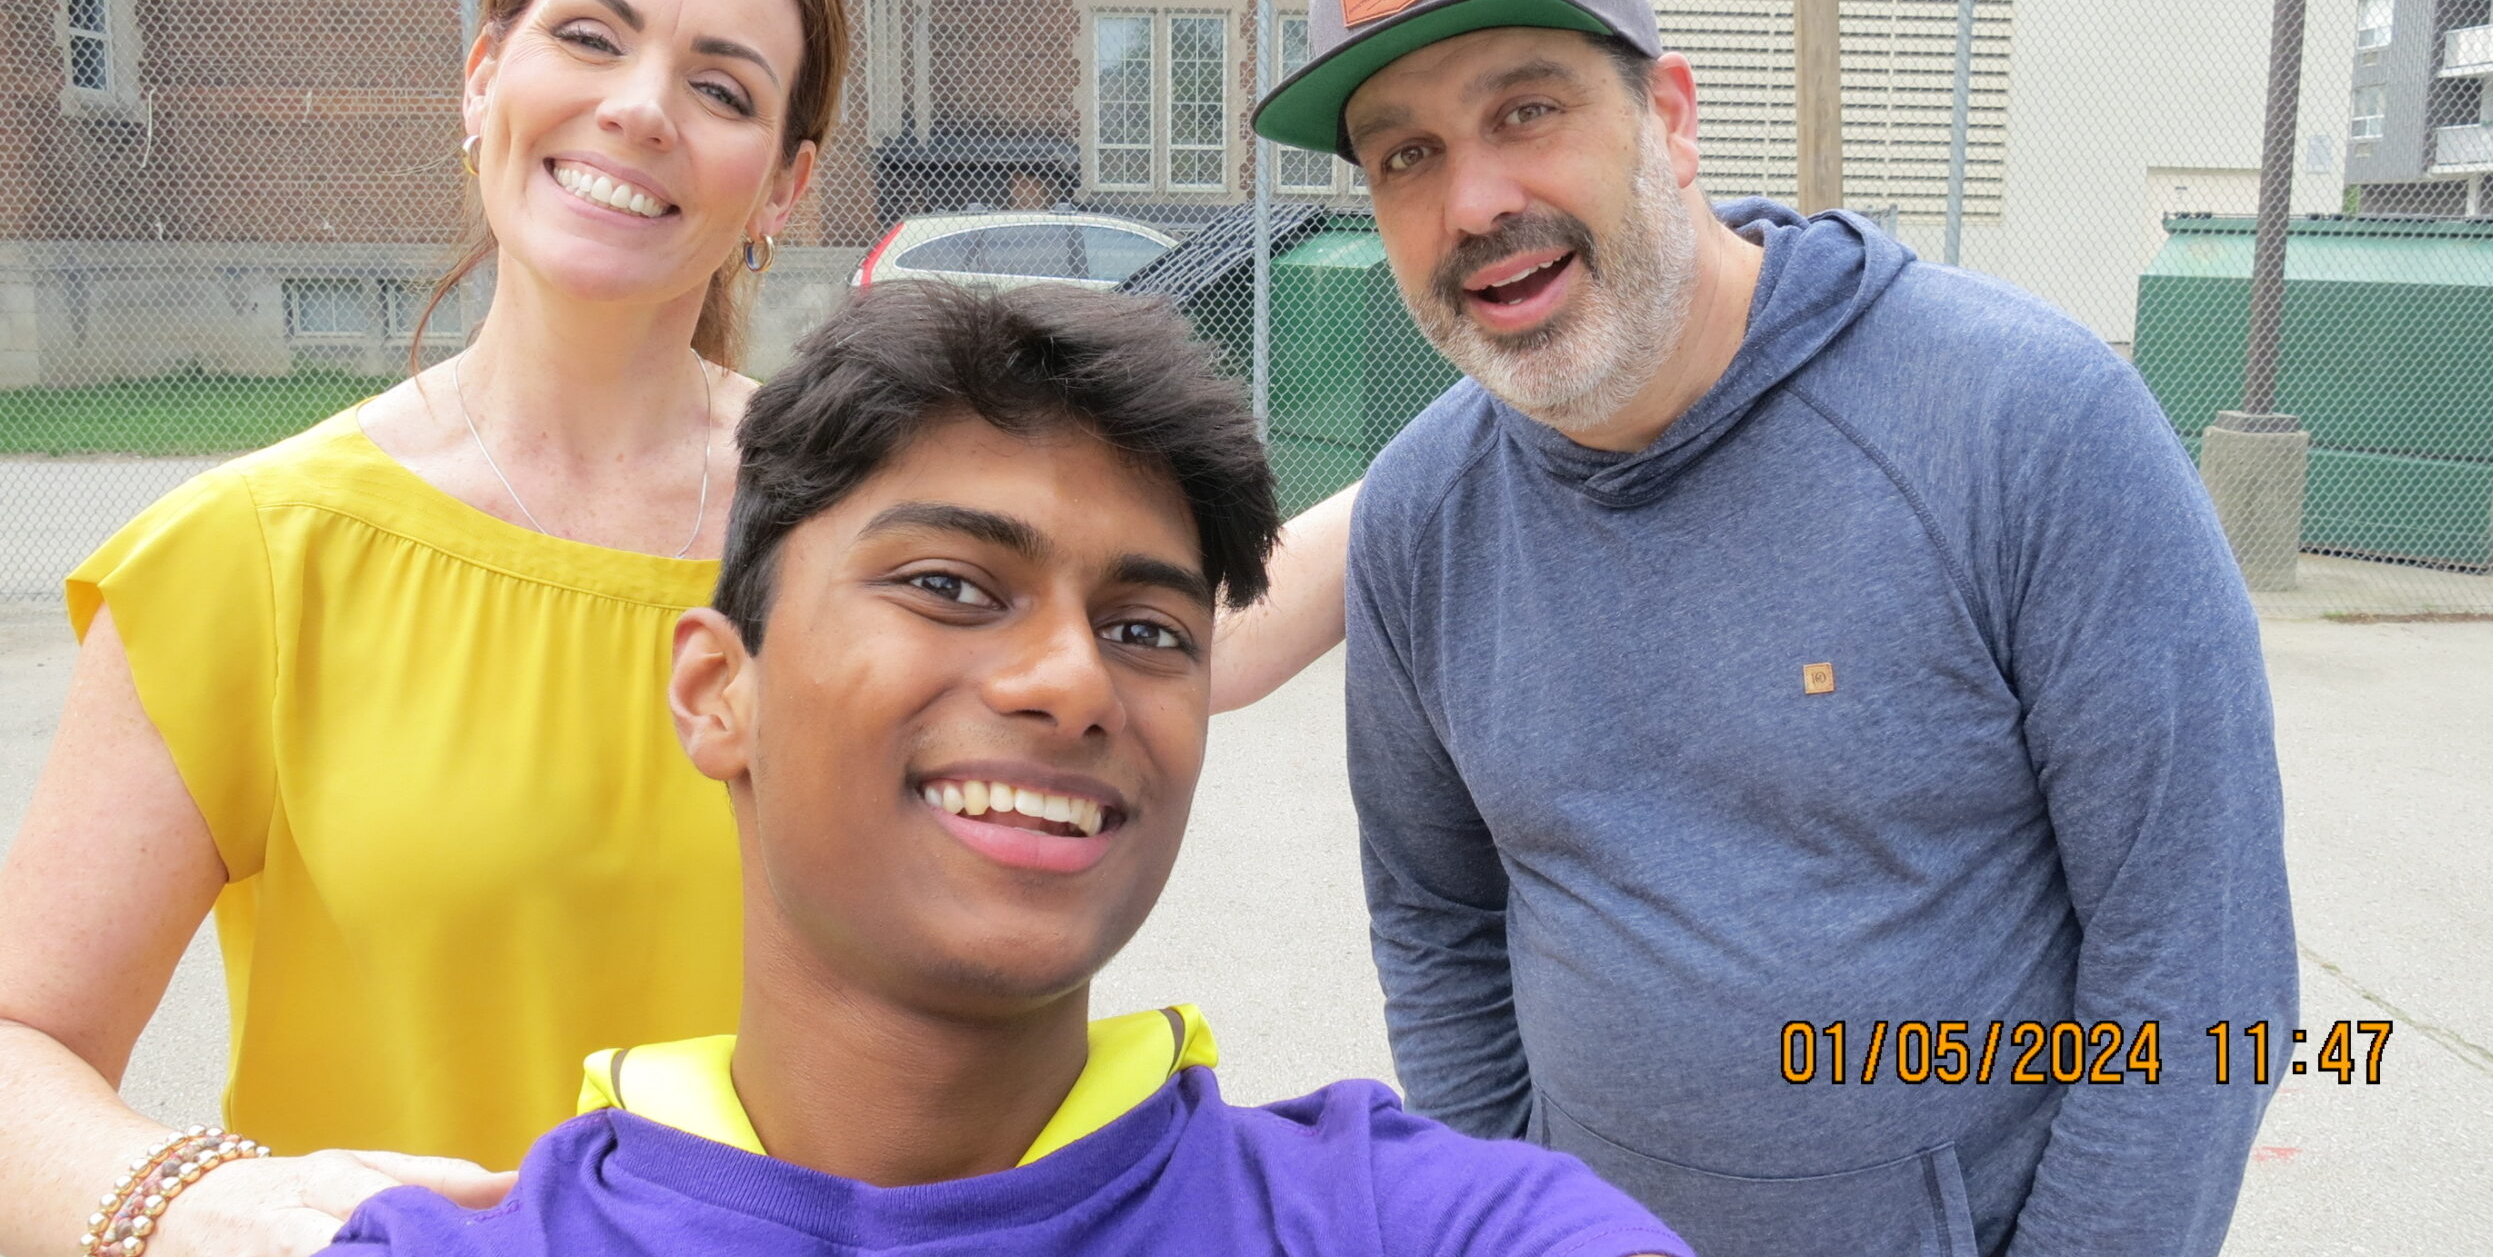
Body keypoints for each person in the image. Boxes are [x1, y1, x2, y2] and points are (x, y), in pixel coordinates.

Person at [0, 0, 1348, 1257]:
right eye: (589, 36)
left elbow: (1175, 645)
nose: (638, 108)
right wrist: (176, 1201)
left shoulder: (883, 538)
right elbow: (21, 1039)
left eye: (722, 87)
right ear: (482, 78)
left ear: (785, 180)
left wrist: (1484, 439)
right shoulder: (252, 560)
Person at [1250, 0, 2297, 1257]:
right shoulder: (1422, 519)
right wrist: (1515, 1220)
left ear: (1670, 117)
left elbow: (2204, 972)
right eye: (1405, 157)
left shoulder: (2024, 425)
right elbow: (1438, 925)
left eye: (1526, 110)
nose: (1474, 201)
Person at [299, 278, 1689, 1257]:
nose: (1073, 683)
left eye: (1146, 628)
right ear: (719, 693)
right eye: (955, 587)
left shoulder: (1400, 1220)